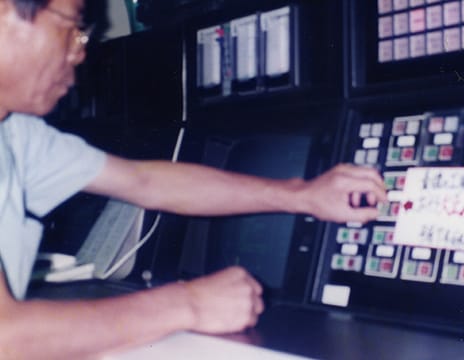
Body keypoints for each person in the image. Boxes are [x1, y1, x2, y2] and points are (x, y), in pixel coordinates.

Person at [0, 0, 387, 358]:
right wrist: (189, 304)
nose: (80, 51)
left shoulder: (16, 135)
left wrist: (302, 195)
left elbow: (144, 182)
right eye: (73, 28)